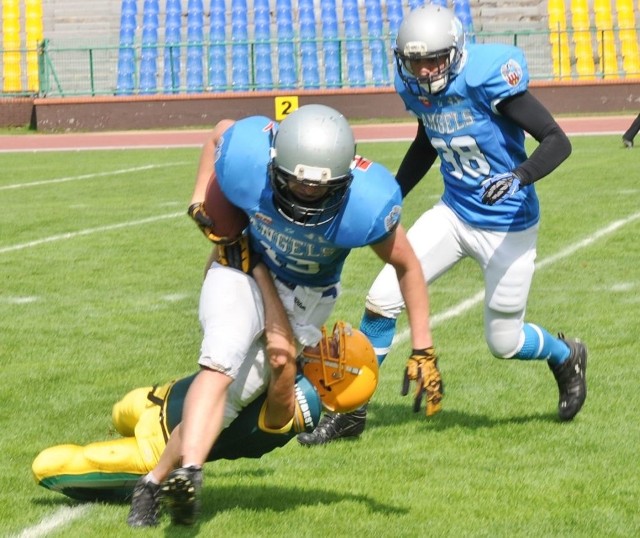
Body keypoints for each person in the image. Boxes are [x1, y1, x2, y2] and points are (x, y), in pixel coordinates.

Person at [127, 104, 435, 526]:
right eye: (296, 180)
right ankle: (192, 472)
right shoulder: (250, 156)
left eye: (318, 185)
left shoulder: (366, 203)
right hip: (241, 265)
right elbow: (220, 132)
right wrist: (200, 195)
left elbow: (407, 265)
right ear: (275, 162)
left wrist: (423, 346)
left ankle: (151, 483)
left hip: (304, 297)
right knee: (219, 361)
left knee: (233, 397)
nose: (306, 192)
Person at [299, 4, 587, 446]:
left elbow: (557, 141)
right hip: (453, 214)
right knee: (380, 298)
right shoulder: (417, 89)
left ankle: (567, 356)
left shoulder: (485, 79)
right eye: (416, 61)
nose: (426, 69)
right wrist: (392, 193)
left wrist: (517, 176)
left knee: (504, 342)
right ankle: (352, 411)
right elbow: (427, 140)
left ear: (455, 51)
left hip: (508, 225)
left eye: (434, 58)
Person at [32, 318, 376, 507]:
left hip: (163, 444)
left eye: (333, 350)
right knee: (118, 412)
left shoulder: (301, 403)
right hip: (162, 397)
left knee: (47, 467)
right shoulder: (301, 370)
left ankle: (136, 485)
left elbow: (279, 368)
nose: (325, 340)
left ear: (333, 378)